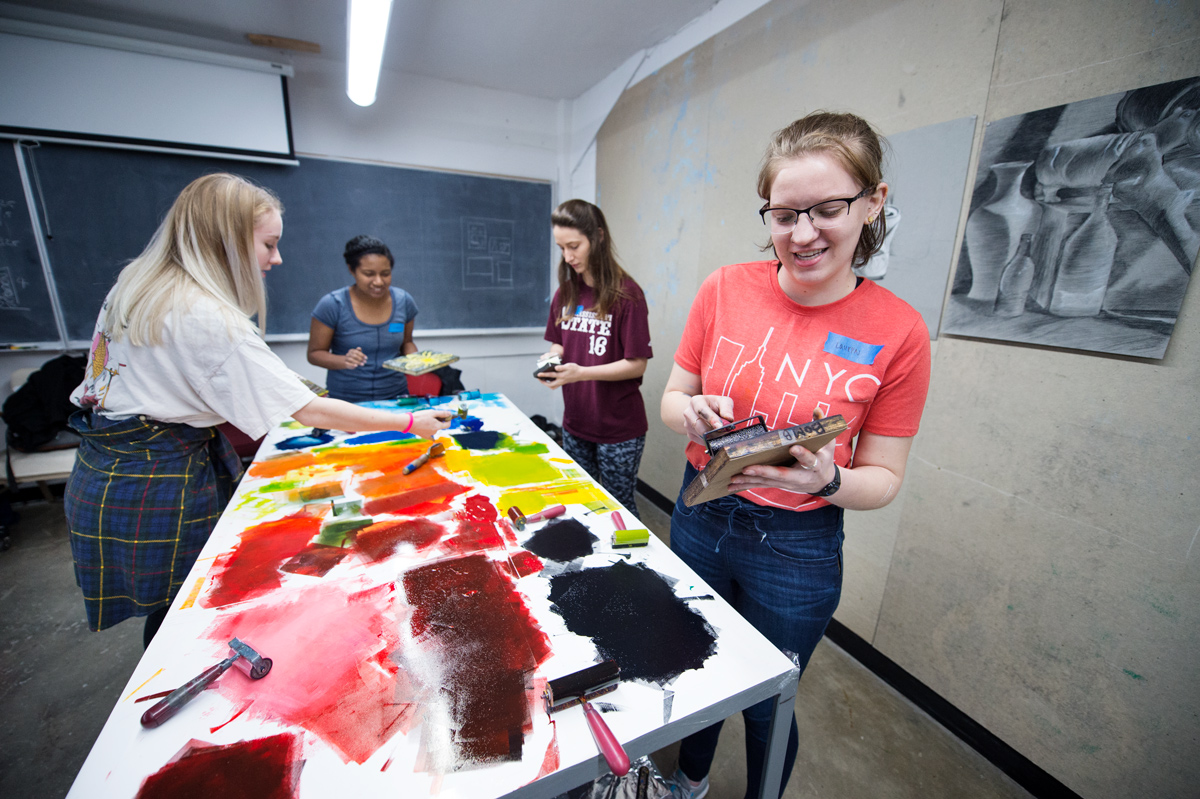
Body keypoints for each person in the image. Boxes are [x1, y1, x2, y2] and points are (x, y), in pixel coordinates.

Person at [660, 112, 931, 799]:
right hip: (702, 510)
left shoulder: (899, 331)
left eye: (828, 209)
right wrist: (689, 409)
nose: (803, 233)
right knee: (695, 666)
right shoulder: (724, 288)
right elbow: (671, 398)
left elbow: (884, 478)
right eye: (785, 214)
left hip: (798, 545)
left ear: (873, 203)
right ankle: (689, 781)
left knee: (765, 695)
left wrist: (830, 479)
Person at [65, 174, 451, 648]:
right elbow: (309, 412)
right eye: (269, 244)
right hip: (156, 479)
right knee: (183, 614)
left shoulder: (138, 284)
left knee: (176, 605)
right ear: (226, 239)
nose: (276, 258)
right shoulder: (202, 312)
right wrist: (411, 422)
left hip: (110, 466)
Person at [537, 199, 653, 517]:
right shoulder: (566, 293)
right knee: (582, 506)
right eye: (561, 248)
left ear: (598, 237)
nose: (568, 256)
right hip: (576, 423)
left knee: (619, 509)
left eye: (574, 246)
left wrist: (581, 373)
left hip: (619, 429)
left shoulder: (627, 295)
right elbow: (559, 344)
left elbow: (637, 363)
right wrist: (551, 364)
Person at [307, 235, 420, 402]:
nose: (379, 281)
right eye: (369, 274)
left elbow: (406, 343)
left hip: (395, 398)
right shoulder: (332, 305)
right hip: (346, 401)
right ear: (352, 270)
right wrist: (344, 360)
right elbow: (314, 354)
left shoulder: (404, 302)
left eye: (386, 274)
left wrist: (415, 359)